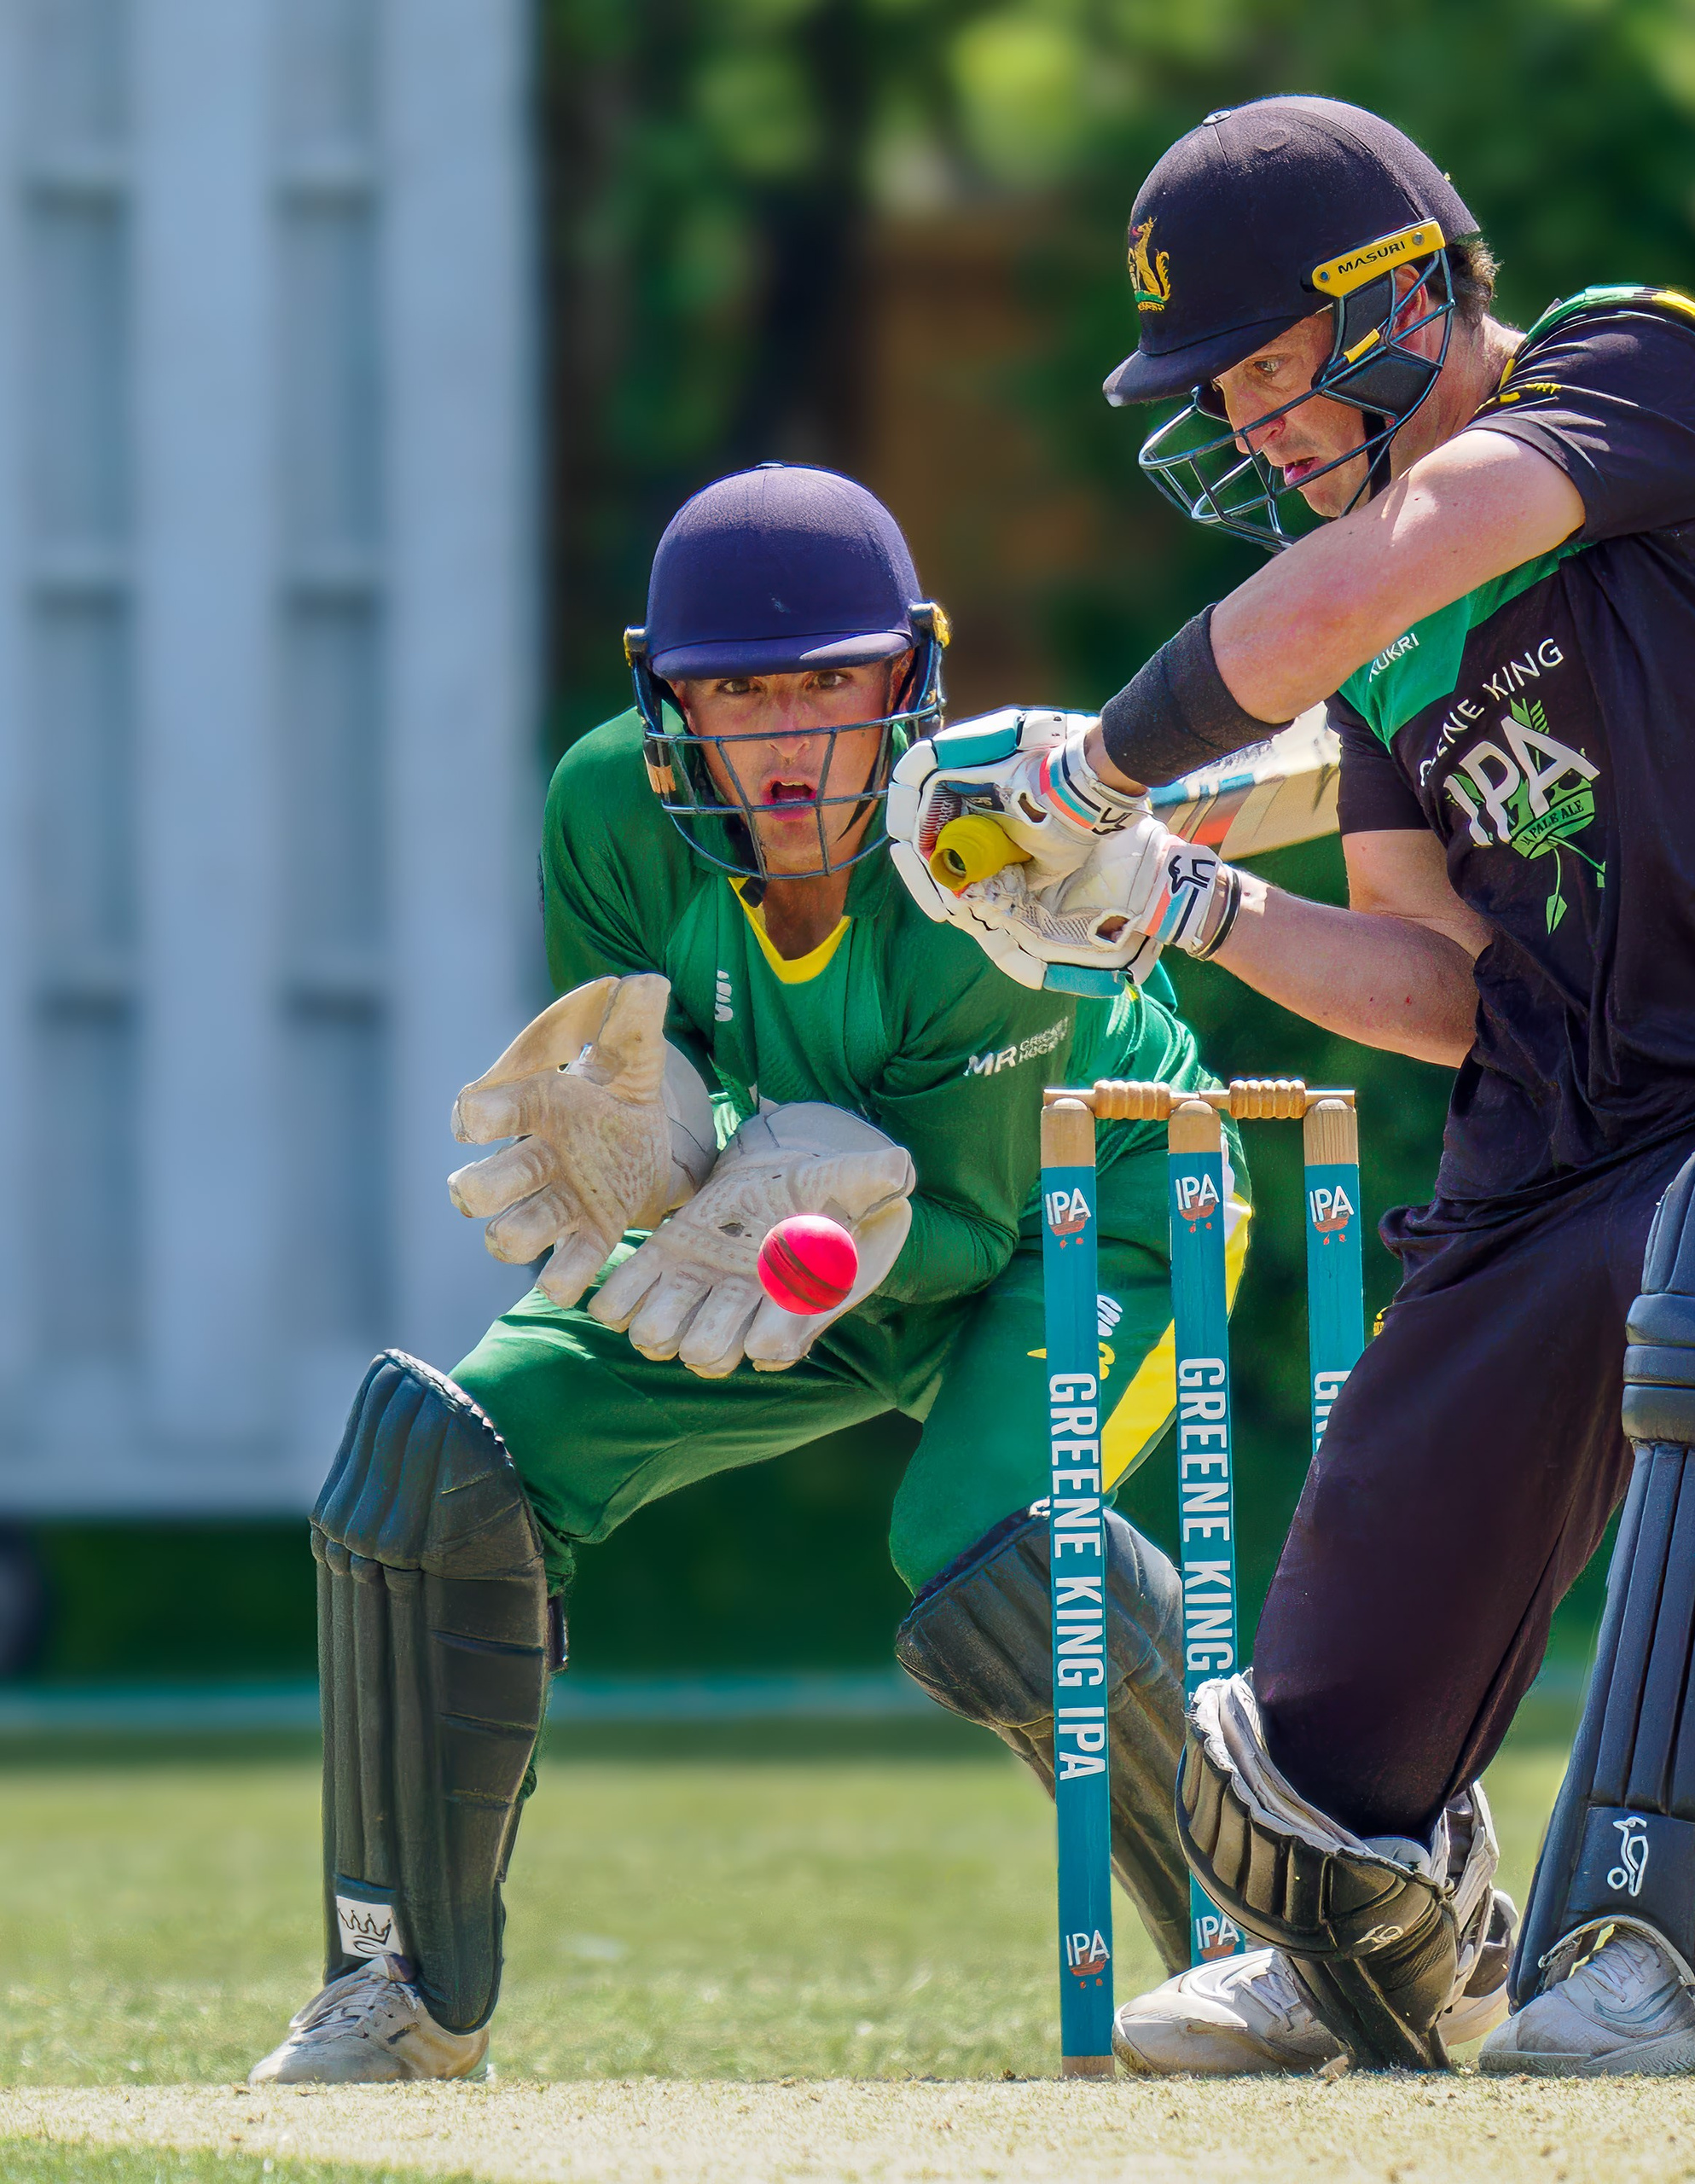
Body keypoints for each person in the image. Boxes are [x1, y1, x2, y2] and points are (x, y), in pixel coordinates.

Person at [889, 98, 1695, 2079]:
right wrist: (1169, 900)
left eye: (1258, 367)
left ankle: (1668, 1949)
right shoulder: (1377, 666)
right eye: (1212, 390)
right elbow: (1444, 991)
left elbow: (1361, 580)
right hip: (1558, 1174)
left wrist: (1087, 781)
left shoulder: (1643, 371)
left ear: (1405, 298)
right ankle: (1390, 1942)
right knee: (1288, 1793)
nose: (1244, 426)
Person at [249, 463, 1249, 2082]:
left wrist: (790, 1199)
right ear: (669, 705)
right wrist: (671, 1155)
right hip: (772, 1242)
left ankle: (1267, 1939)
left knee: (983, 1539)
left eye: (826, 685)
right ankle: (400, 1992)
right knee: (438, 1466)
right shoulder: (603, 808)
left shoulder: (978, 864)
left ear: (907, 682)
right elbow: (661, 1070)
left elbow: (969, 1238)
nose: (784, 738)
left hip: (1090, 1199)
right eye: (737, 693)